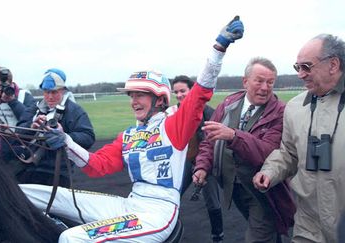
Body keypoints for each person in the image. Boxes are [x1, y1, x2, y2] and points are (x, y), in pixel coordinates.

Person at [20, 16, 244, 242]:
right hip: (130, 204)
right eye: (131, 95)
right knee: (33, 193)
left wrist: (218, 49)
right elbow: (95, 166)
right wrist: (65, 140)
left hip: (158, 213)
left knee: (71, 237)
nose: (133, 101)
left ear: (159, 100)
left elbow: (200, 93)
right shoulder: (128, 135)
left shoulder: (174, 126)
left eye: (140, 95)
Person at [253, 34, 345, 242]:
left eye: (306, 66)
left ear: (333, 64)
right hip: (308, 225)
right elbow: (288, 153)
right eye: (298, 67)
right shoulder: (294, 107)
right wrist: (269, 172)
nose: (301, 74)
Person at [193, 57, 296, 243]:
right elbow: (210, 141)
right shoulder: (228, 104)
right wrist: (202, 167)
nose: (265, 87)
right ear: (245, 81)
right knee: (266, 231)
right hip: (233, 187)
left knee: (259, 236)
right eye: (259, 81)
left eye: (270, 82)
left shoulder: (281, 112)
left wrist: (233, 135)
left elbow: (267, 152)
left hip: (264, 191)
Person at [167, 75, 223, 243]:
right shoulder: (172, 112)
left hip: (206, 163)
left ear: (192, 91)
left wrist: (204, 166)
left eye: (182, 91)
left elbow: (215, 141)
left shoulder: (208, 112)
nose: (179, 95)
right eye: (176, 92)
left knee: (213, 202)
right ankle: (166, 232)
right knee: (171, 197)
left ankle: (218, 237)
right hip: (183, 163)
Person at [16, 68, 95, 187]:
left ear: (62, 91)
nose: (50, 97)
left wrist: (64, 136)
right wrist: (31, 127)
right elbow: (17, 132)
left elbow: (88, 137)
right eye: (47, 92)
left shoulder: (74, 111)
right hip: (29, 167)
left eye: (54, 92)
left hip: (59, 171)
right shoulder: (34, 109)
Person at [0, 67, 36, 161]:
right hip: (0, 149)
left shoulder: (24, 96)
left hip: (24, 149)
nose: (0, 90)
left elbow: (30, 119)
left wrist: (12, 101)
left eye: (2, 86)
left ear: (10, 83)